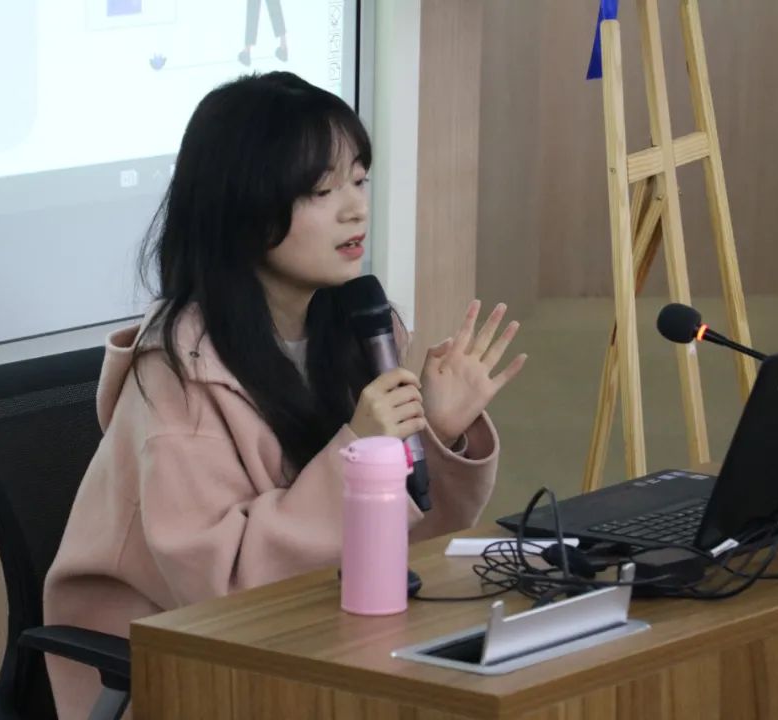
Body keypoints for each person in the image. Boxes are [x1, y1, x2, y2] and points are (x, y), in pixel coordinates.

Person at [42, 71, 526, 719]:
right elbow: (227, 590)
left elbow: (412, 555)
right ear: (243, 207)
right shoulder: (179, 372)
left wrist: (435, 432)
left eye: (359, 180)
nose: (355, 209)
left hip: (326, 636)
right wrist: (361, 453)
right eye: (321, 190)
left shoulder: (357, 331)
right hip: (187, 673)